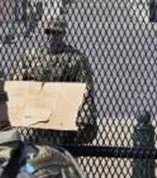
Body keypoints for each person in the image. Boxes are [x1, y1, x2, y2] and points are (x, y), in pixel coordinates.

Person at [8, 15, 98, 144]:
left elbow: (85, 90)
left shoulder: (75, 59)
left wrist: (83, 121)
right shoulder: (31, 56)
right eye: (48, 32)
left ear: (63, 34)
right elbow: (15, 85)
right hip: (34, 118)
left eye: (56, 33)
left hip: (61, 119)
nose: (52, 36)